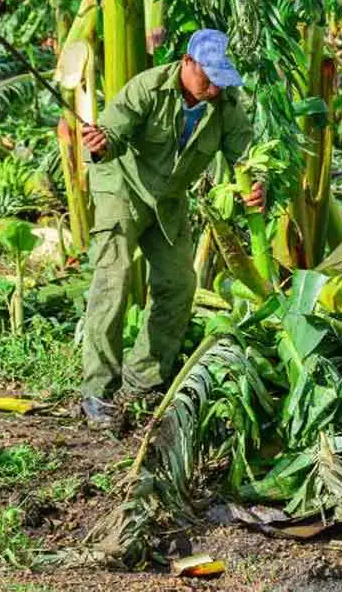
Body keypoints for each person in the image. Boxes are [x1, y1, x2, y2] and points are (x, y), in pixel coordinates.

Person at [78, 28, 264, 430]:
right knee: (114, 276)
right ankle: (98, 390)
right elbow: (111, 132)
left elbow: (246, 157)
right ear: (187, 63)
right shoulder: (148, 87)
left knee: (179, 283)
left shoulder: (225, 104)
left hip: (168, 198)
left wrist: (257, 186)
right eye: (207, 76)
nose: (213, 88)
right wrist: (99, 143)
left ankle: (144, 380)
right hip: (123, 188)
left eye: (220, 78)